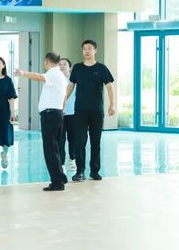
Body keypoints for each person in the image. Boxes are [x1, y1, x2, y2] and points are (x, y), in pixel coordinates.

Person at [15, 52, 68, 191]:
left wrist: (23, 73)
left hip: (50, 115)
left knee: (50, 150)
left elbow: (39, 77)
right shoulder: (61, 76)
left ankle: (57, 182)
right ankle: (60, 177)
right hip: (57, 114)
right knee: (55, 148)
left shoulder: (52, 73)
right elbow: (64, 99)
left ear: (46, 61)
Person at [65, 40, 115, 181]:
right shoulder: (77, 68)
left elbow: (109, 87)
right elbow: (71, 85)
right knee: (80, 141)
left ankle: (94, 171)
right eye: (84, 49)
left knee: (95, 141)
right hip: (80, 110)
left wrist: (112, 104)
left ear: (95, 50)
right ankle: (80, 171)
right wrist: (64, 100)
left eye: (89, 48)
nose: (87, 51)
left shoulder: (101, 68)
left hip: (96, 110)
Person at [59, 58, 77, 173]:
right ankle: (61, 163)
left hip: (72, 113)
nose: (61, 66)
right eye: (59, 64)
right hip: (59, 114)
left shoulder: (74, 80)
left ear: (69, 67)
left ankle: (72, 160)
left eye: (64, 64)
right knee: (60, 139)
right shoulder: (57, 80)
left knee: (72, 138)